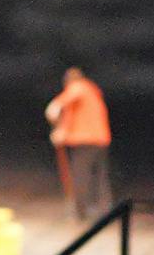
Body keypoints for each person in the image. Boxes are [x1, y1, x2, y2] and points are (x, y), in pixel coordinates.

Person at [44, 66, 112, 219]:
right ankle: (102, 209)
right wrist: (61, 133)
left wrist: (55, 104)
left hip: (88, 140)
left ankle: (82, 211)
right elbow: (70, 120)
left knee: (81, 175)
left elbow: (75, 92)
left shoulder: (82, 87)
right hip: (99, 139)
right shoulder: (88, 94)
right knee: (98, 176)